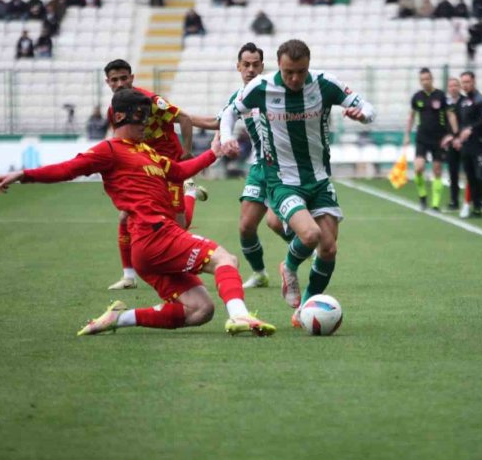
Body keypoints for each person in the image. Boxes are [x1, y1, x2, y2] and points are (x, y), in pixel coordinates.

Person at [0, 89, 275, 337]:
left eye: (147, 116)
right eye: (140, 116)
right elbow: (68, 168)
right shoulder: (109, 150)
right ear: (121, 116)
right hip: (155, 233)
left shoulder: (147, 152)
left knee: (201, 310)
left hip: (148, 247)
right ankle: (239, 315)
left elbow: (179, 170)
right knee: (225, 258)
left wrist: (215, 151)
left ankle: (119, 318)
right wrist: (23, 174)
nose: (146, 123)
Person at [218, 39, 376, 325]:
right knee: (311, 235)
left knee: (328, 248)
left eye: (300, 72)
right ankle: (288, 267)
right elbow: (230, 112)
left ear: (308, 66)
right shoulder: (262, 87)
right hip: (282, 180)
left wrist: (362, 115)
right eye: (289, 71)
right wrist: (228, 138)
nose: (294, 78)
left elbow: (367, 107)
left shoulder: (325, 83)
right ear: (279, 65)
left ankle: (304, 308)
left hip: (319, 179)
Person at [190, 43, 292, 289]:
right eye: (246, 64)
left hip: (286, 167)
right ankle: (259, 273)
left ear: (263, 66)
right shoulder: (238, 98)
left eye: (256, 64)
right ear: (238, 67)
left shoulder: (275, 90)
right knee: (246, 227)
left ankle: (307, 246)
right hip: (259, 166)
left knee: (276, 222)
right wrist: (180, 117)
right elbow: (218, 121)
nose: (251, 69)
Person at [102, 59, 207, 290]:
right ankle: (128, 277)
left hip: (169, 169)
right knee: (125, 216)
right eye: (114, 80)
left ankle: (190, 193)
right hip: (144, 171)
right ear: (107, 82)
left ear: (132, 78)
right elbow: (120, 141)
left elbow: (185, 119)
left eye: (123, 78)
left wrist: (187, 153)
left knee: (179, 228)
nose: (119, 83)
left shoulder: (151, 101)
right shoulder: (114, 110)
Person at [404, 68, 459, 211]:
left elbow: (451, 115)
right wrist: (407, 134)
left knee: (437, 170)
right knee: (418, 168)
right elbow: (411, 116)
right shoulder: (417, 97)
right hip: (422, 137)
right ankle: (422, 196)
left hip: (438, 139)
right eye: (422, 79)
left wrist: (455, 133)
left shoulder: (441, 95)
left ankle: (435, 204)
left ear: (432, 79)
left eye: (427, 79)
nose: (425, 82)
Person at [453, 71, 482, 219]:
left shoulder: (481, 99)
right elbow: (460, 123)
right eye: (463, 82)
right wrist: (457, 138)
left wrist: (472, 129)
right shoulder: (462, 102)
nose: (465, 85)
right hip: (466, 146)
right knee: (471, 178)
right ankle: (476, 208)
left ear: (473, 82)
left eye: (467, 82)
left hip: (479, 144)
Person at [445, 77, 464, 211]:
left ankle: (477, 199)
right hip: (451, 143)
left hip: (465, 142)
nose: (453, 88)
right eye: (451, 86)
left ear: (459, 87)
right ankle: (454, 200)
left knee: (472, 172)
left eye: (455, 85)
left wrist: (460, 137)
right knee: (453, 173)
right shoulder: (445, 104)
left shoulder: (465, 102)